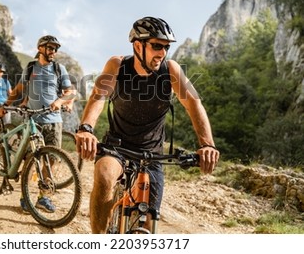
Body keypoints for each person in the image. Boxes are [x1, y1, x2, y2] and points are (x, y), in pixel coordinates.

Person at [75, 16, 220, 233]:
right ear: (137, 45)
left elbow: (193, 104)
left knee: (149, 223)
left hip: (152, 153)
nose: (162, 52)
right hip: (117, 146)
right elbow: (98, 96)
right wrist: (86, 128)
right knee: (105, 177)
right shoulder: (117, 65)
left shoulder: (170, 70)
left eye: (166, 47)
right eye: (156, 46)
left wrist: (207, 144)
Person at [2, 35, 75, 213]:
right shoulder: (30, 67)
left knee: (51, 161)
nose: (53, 52)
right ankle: (24, 197)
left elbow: (70, 92)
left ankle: (44, 198)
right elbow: (19, 88)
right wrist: (6, 105)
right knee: (28, 159)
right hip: (32, 120)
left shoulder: (59, 68)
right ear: (40, 48)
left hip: (53, 121)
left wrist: (60, 101)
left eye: (55, 49)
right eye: (50, 48)